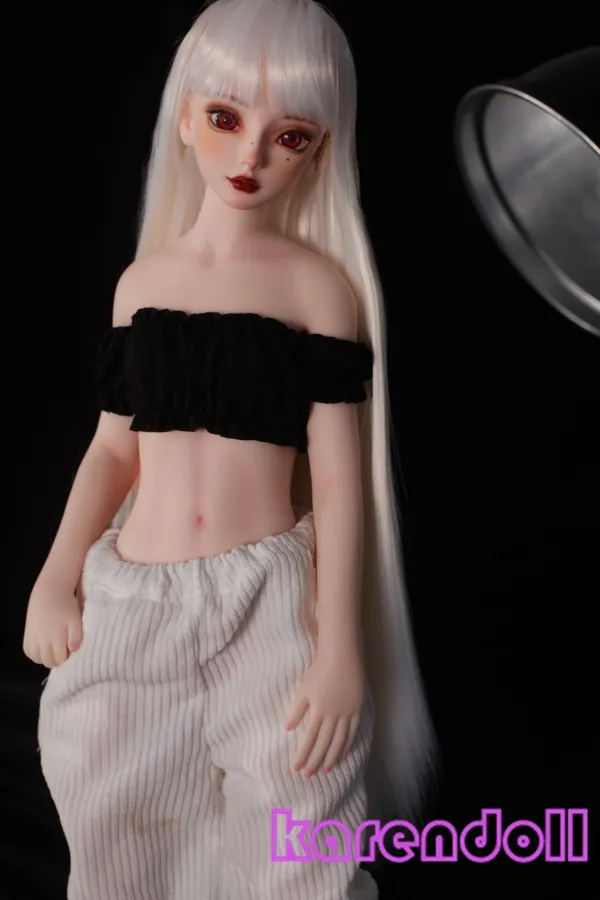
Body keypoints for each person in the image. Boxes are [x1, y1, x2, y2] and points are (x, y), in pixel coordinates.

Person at [23, 1, 435, 897]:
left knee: (300, 827)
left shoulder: (317, 290)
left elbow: (341, 479)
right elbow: (112, 449)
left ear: (318, 151)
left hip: (270, 606)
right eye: (224, 118)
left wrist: (339, 645)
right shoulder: (144, 283)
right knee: (113, 820)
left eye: (288, 136)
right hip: (134, 604)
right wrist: (57, 574)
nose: (251, 155)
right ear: (183, 118)